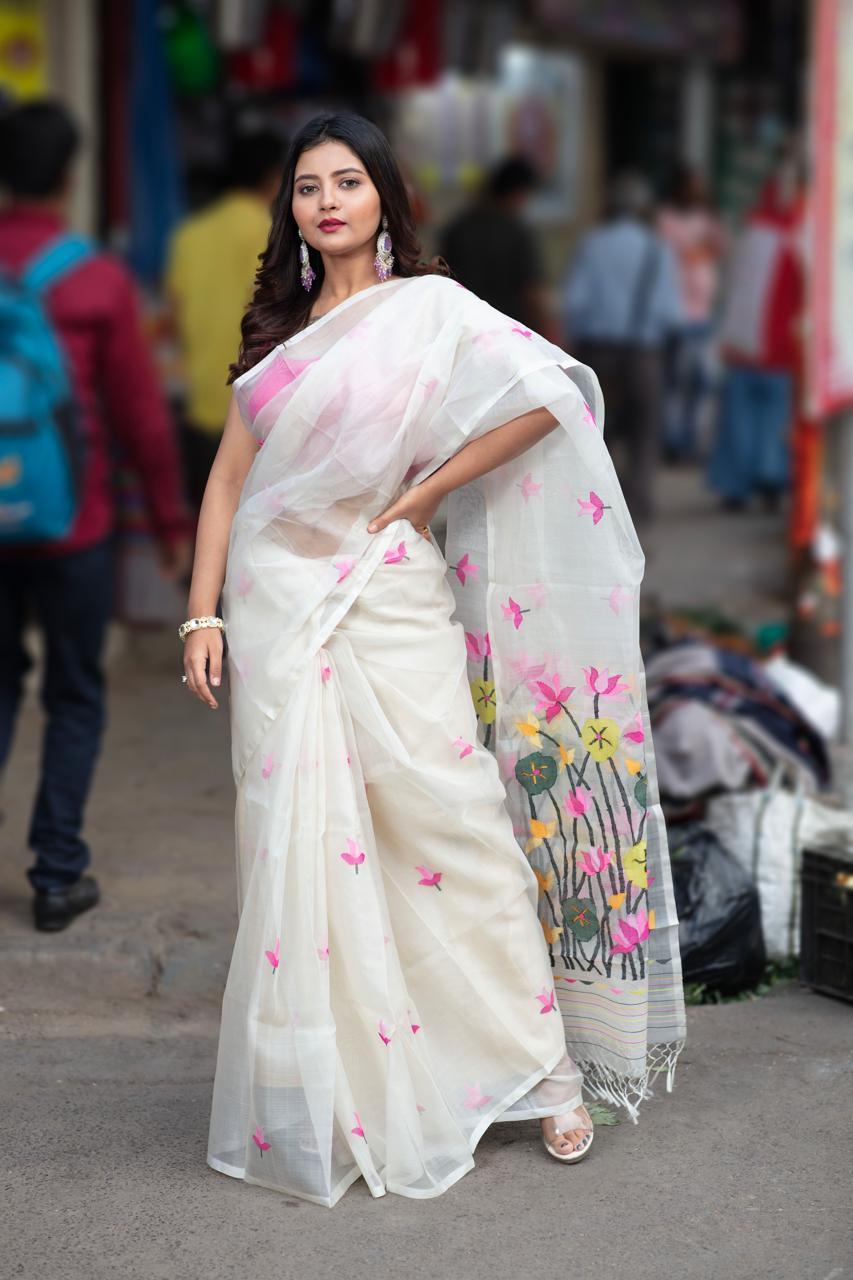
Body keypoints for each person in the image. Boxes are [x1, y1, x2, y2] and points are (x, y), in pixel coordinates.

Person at [183, 113, 685, 1207]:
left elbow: (551, 397)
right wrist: (200, 615)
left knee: (453, 822)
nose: (326, 200)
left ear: (382, 198)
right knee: (307, 838)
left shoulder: (433, 312)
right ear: (293, 212)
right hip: (278, 611)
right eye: (308, 185)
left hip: (391, 595)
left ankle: (543, 1067)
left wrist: (422, 495)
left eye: (347, 180)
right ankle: (339, 1084)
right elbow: (227, 482)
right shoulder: (279, 337)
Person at [0, 100, 191, 931]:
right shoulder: (96, 277)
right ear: (71, 175)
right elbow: (141, 417)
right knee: (75, 693)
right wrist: (171, 522)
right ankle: (55, 876)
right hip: (76, 525)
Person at [165, 126, 286, 512]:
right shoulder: (274, 235)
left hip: (200, 407)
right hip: (257, 414)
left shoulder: (189, 234)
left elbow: (173, 317)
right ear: (273, 177)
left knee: (206, 524)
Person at [563, 171, 682, 525]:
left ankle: (600, 505)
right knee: (645, 431)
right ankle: (640, 505)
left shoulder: (592, 243)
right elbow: (669, 312)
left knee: (597, 431)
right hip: (643, 355)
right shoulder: (657, 248)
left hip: (598, 353)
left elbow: (575, 302)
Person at [706, 157, 805, 512]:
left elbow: (729, 288)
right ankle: (771, 477)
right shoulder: (801, 234)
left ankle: (736, 485)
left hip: (740, 346)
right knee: (774, 419)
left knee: (737, 422)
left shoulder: (748, 231)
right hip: (781, 349)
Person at [437, 155, 558, 341]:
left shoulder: (459, 227)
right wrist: (550, 332)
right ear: (517, 192)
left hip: (464, 330)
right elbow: (532, 290)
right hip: (509, 331)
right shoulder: (516, 231)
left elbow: (442, 278)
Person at [656, 163, 726, 463]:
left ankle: (693, 440)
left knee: (703, 383)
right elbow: (681, 253)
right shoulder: (667, 219)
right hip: (677, 313)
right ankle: (674, 439)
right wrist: (701, 249)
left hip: (703, 313)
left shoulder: (707, 218)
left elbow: (720, 247)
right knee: (677, 381)